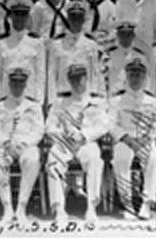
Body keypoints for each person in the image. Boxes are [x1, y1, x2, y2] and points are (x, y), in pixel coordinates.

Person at [45, 62, 107, 223]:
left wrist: (84, 135)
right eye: (73, 79)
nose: (77, 83)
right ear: (69, 81)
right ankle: (59, 208)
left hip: (86, 142)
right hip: (64, 143)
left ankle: (91, 207)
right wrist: (64, 135)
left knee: (95, 159)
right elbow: (49, 126)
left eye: (80, 79)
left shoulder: (96, 101)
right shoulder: (60, 102)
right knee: (53, 159)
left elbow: (102, 126)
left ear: (86, 79)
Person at [0, 65, 45, 225]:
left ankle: (21, 207)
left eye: (20, 84)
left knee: (32, 160)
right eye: (14, 83)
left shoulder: (34, 106)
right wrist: (6, 143)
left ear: (25, 85)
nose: (17, 87)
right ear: (9, 84)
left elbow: (38, 130)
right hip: (5, 144)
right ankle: (7, 207)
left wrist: (25, 143)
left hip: (26, 144)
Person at [109, 56, 156, 220]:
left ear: (144, 77)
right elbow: (111, 124)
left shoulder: (152, 101)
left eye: (138, 75)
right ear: (126, 76)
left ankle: (146, 203)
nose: (135, 78)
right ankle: (128, 204)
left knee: (154, 159)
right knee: (121, 160)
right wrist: (126, 139)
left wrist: (147, 139)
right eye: (132, 75)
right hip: (125, 140)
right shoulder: (116, 100)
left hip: (145, 140)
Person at [0, 0, 46, 105]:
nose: (19, 18)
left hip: (30, 97)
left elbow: (40, 74)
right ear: (10, 16)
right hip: (6, 98)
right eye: (16, 14)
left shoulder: (37, 42)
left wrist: (39, 102)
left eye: (23, 15)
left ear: (28, 17)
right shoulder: (1, 42)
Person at [47, 0, 102, 104]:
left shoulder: (91, 44)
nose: (76, 21)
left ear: (83, 20)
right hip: (62, 99)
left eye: (79, 17)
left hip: (84, 99)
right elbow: (51, 75)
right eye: (73, 17)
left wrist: (94, 100)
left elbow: (94, 75)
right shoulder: (56, 44)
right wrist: (51, 101)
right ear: (68, 19)